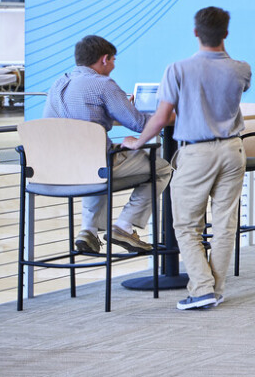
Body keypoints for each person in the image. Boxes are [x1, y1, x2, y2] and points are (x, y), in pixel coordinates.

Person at [130, 7, 252, 312]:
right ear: (226, 33)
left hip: (197, 153)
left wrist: (138, 141)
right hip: (234, 150)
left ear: (195, 33)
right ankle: (215, 289)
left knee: (186, 226)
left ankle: (201, 289)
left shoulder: (178, 69)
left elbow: (161, 118)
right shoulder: (241, 69)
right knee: (225, 224)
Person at [43, 34, 166, 256]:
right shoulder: (103, 84)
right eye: (113, 60)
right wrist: (164, 116)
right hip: (96, 166)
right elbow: (138, 123)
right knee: (162, 168)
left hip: (61, 169)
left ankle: (88, 231)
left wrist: (110, 115)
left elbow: (59, 127)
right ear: (104, 59)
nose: (114, 65)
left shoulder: (58, 84)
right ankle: (124, 226)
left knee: (96, 160)